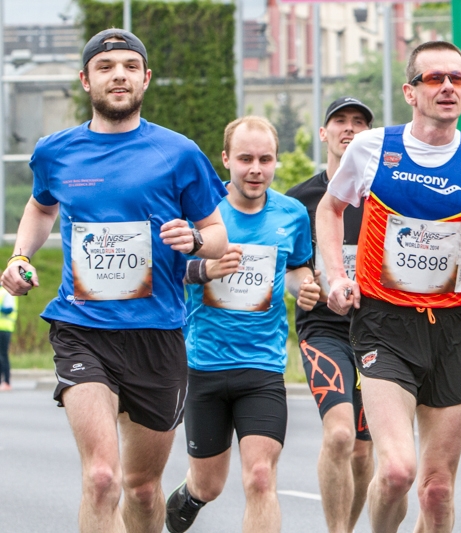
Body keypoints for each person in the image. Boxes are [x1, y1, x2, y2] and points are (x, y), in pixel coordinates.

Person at [0, 29, 229, 532]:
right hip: (82, 326)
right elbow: (41, 208)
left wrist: (192, 238)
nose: (118, 74)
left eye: (129, 65)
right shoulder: (55, 151)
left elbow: (218, 236)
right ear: (86, 80)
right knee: (102, 478)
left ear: (146, 78)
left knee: (142, 489)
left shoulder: (180, 152)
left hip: (157, 335)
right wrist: (20, 255)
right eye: (105, 67)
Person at [316, 41, 461, 532]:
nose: (448, 87)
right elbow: (330, 208)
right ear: (411, 91)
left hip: (453, 328)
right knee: (398, 472)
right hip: (385, 323)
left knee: (436, 489)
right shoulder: (372, 148)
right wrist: (335, 276)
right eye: (435, 78)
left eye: (458, 79)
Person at [165, 116, 320, 533]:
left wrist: (304, 288)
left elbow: (297, 268)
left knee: (260, 477)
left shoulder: (291, 214)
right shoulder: (202, 213)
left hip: (263, 366)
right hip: (205, 364)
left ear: (275, 162)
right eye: (246, 158)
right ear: (226, 160)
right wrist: (208, 269)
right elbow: (166, 271)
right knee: (209, 483)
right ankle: (191, 494)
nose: (256, 169)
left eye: (265, 159)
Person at [286, 96, 375, 533]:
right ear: (324, 133)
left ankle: (348, 527)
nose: (350, 128)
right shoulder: (298, 200)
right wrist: (305, 286)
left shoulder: (385, 195)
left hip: (379, 330)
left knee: (362, 449)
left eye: (359, 122)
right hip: (324, 328)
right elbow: (289, 264)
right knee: (340, 434)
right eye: (340, 121)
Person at [0, 284, 17, 391]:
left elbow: (9, 308)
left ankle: (6, 381)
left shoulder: (6, 292)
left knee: (3, 355)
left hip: (4, 328)